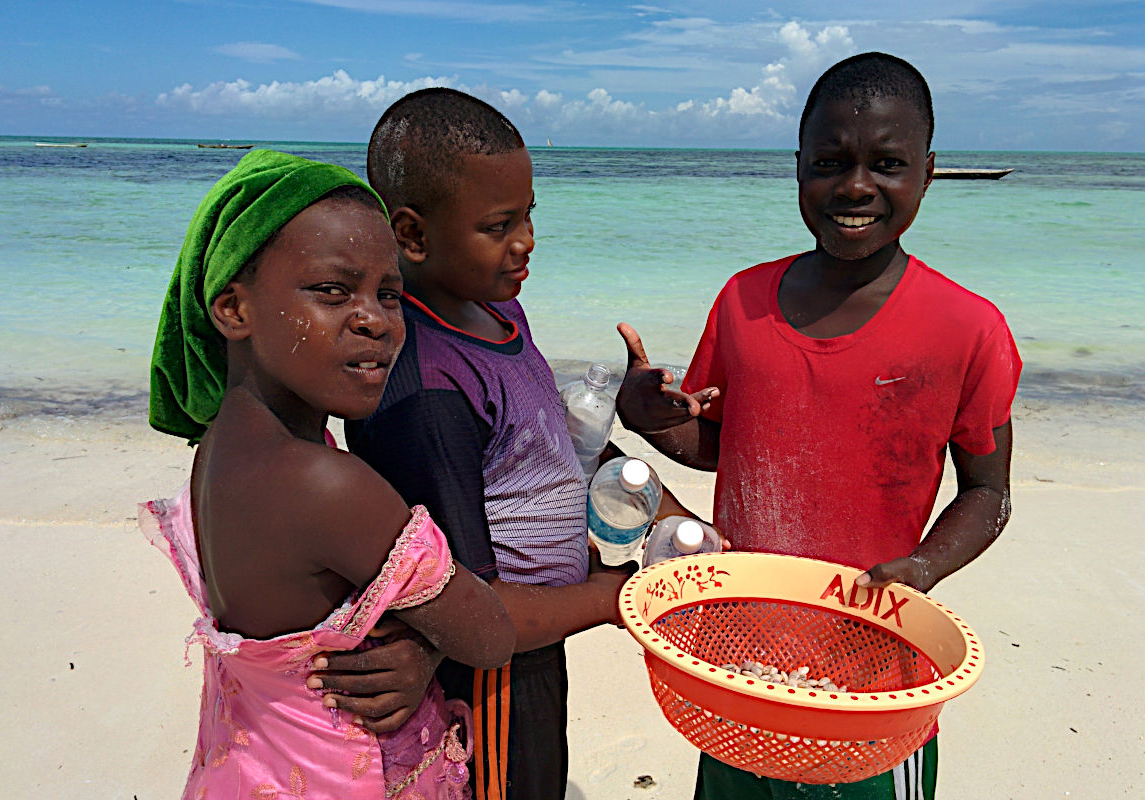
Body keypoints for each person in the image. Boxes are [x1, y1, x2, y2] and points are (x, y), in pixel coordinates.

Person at [616, 52, 1022, 800]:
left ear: (927, 173)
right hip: (738, 667)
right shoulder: (744, 301)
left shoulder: (969, 329)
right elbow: (728, 446)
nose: (857, 186)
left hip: (874, 682)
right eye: (830, 162)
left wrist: (924, 570)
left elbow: (988, 493)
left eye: (887, 163)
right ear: (798, 167)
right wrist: (647, 422)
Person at [328, 87, 700, 800]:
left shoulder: (498, 308)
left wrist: (663, 508)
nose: (526, 240)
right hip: (486, 675)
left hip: (534, 642)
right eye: (499, 225)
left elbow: (546, 445)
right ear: (412, 236)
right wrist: (623, 597)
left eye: (529, 215)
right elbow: (470, 606)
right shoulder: (425, 387)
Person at [142, 148, 515, 799]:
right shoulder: (326, 485)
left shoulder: (219, 455)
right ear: (233, 309)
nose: (374, 319)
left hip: (249, 766)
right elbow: (487, 634)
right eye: (332, 292)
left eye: (390, 294)